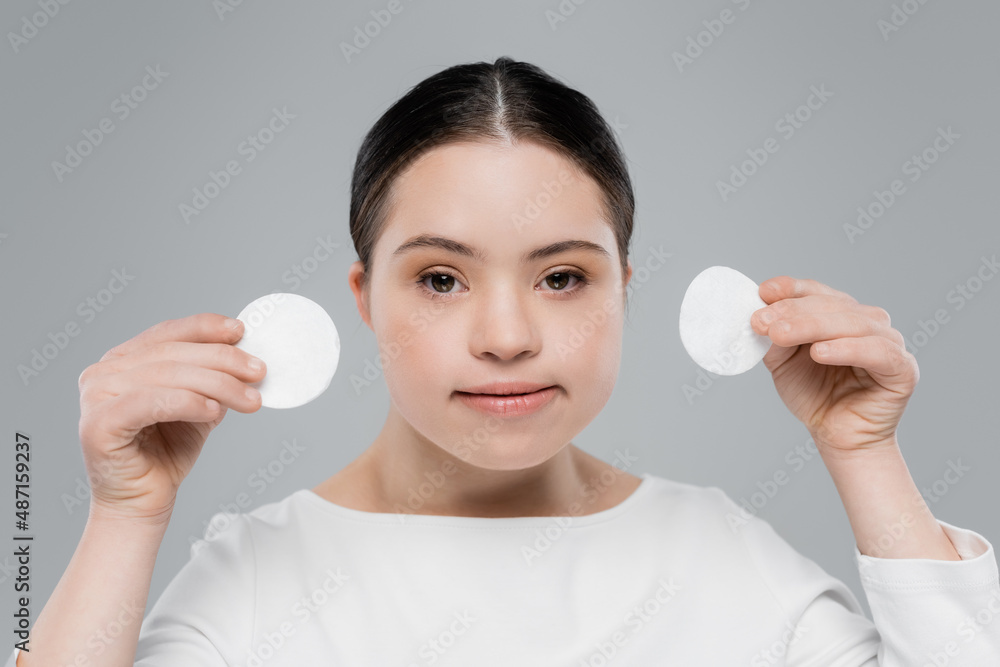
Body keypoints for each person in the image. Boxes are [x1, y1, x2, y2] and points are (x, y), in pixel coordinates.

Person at [10, 57, 999, 666]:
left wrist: (865, 453)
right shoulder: (254, 579)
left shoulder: (721, 556)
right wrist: (124, 517)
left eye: (562, 277)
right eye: (441, 279)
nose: (506, 336)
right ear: (363, 298)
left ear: (624, 288)